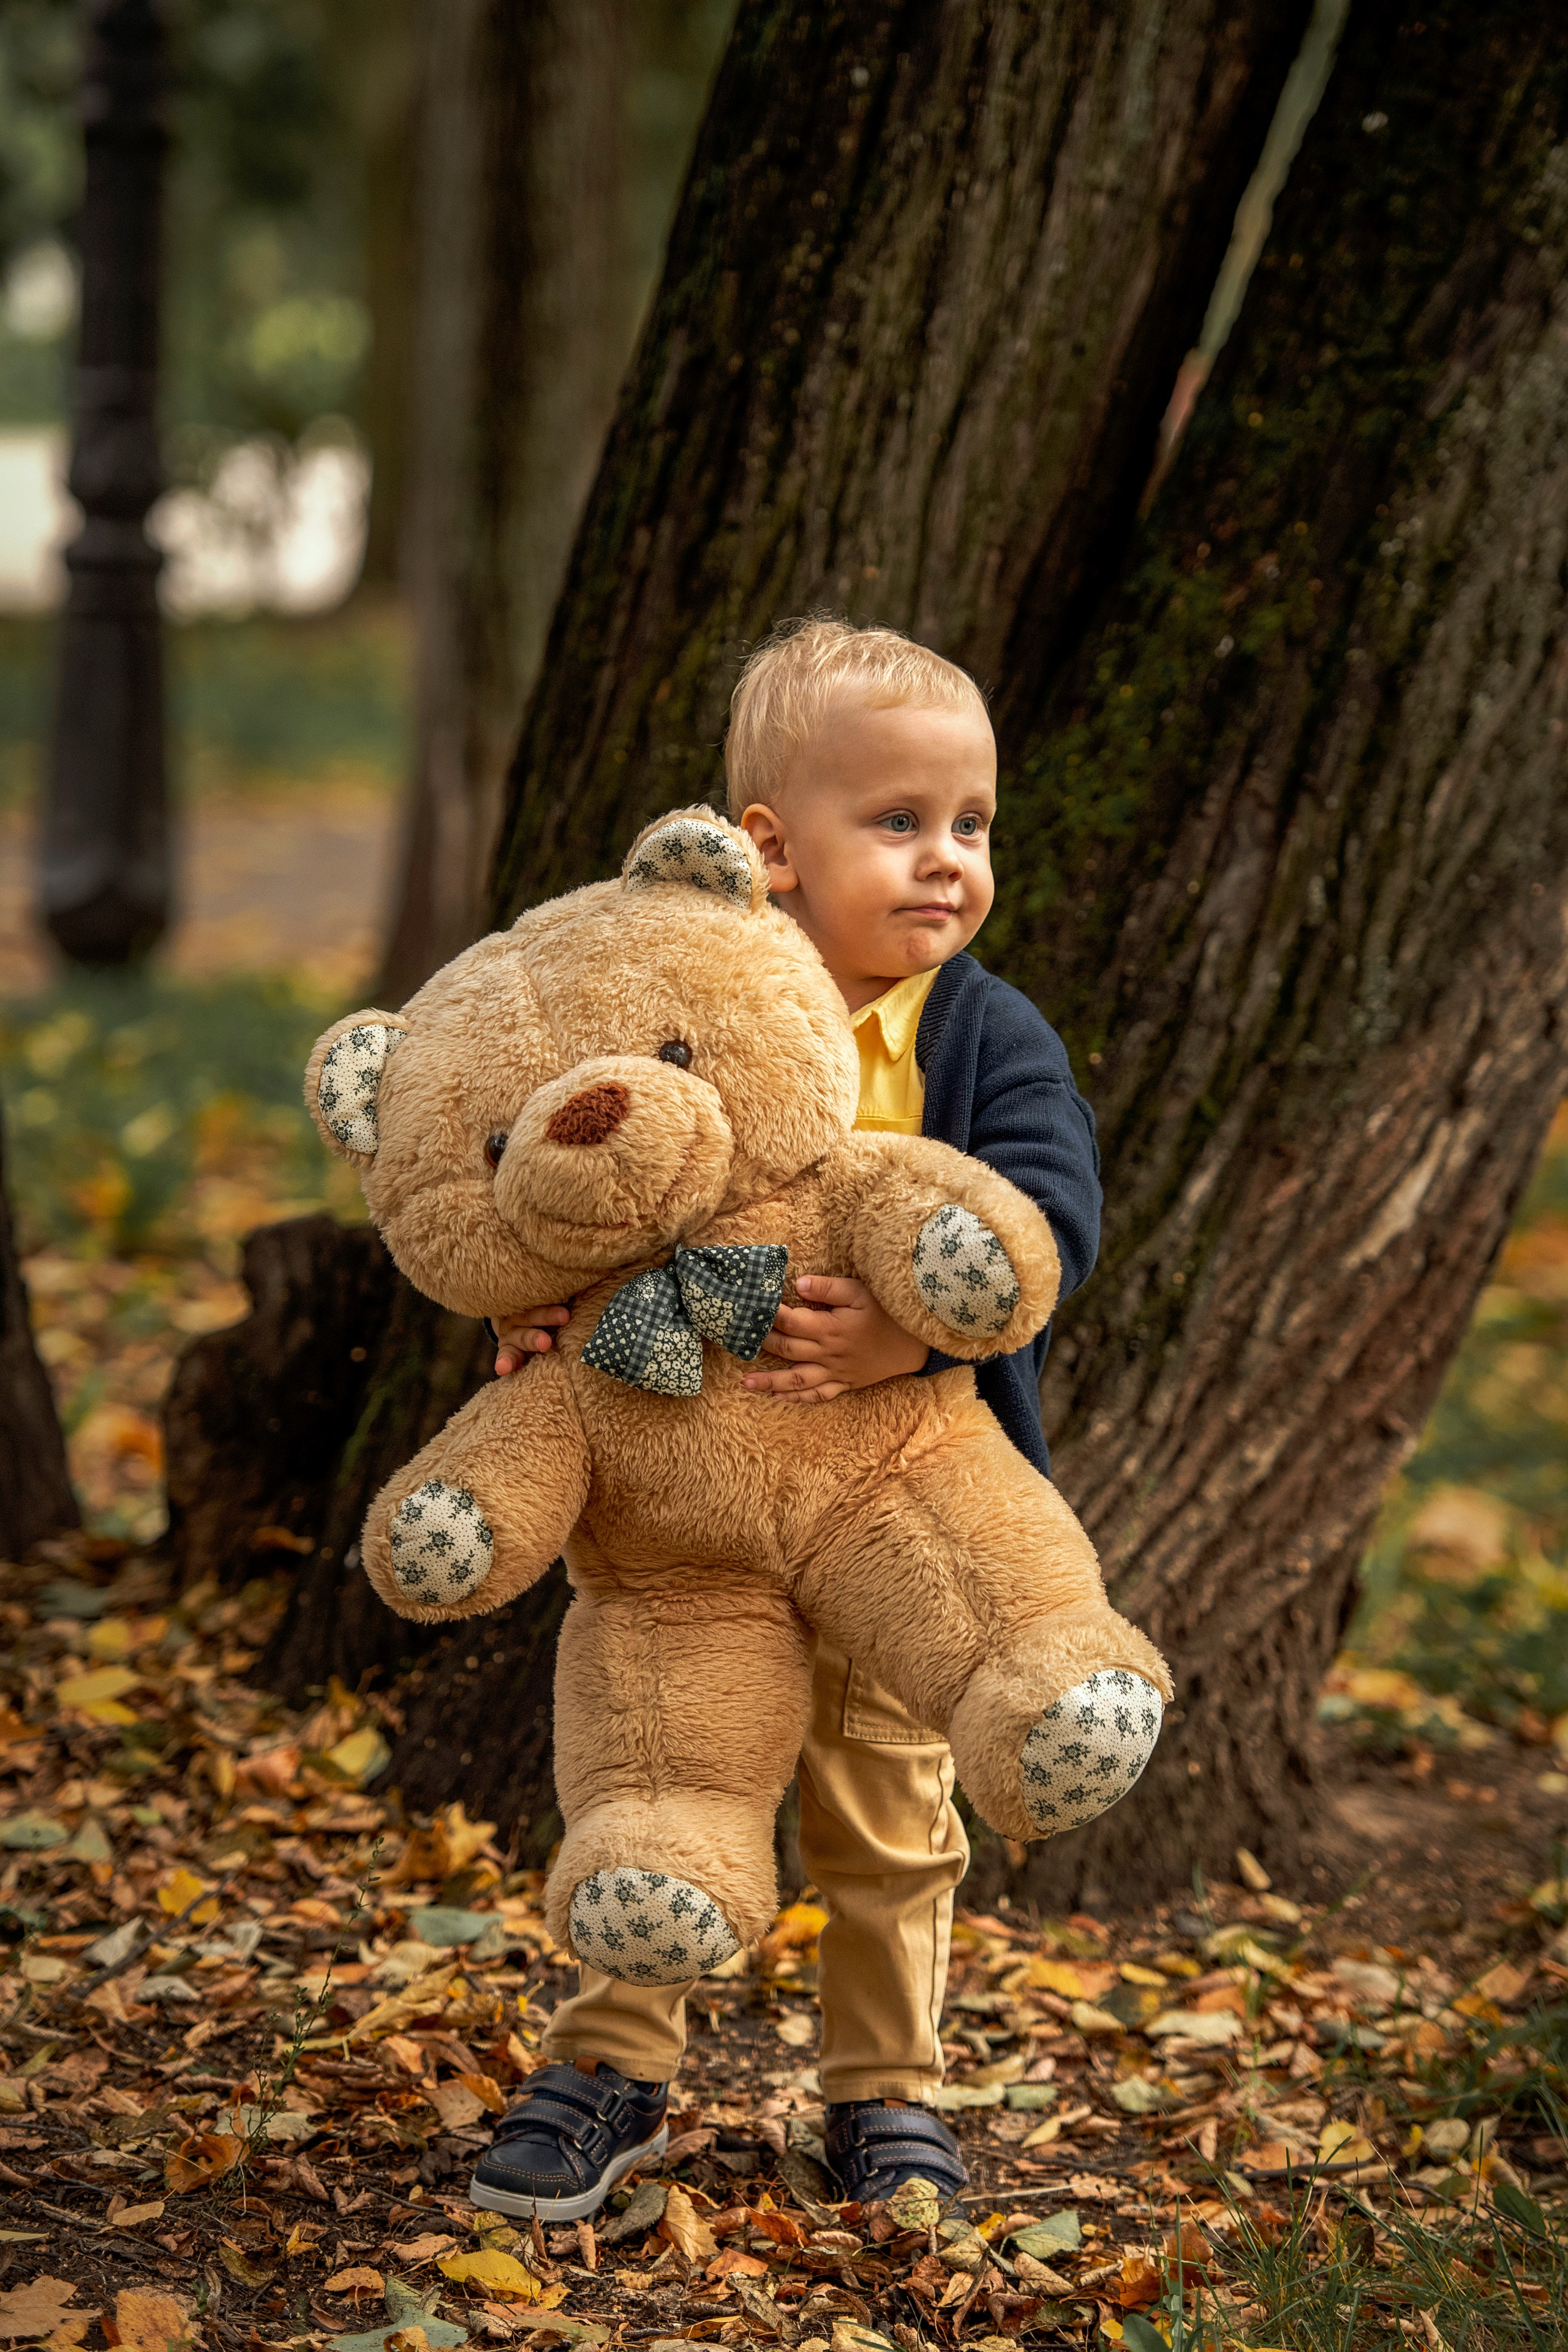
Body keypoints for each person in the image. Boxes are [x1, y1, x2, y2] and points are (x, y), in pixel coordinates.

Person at [470, 615, 1102, 2222]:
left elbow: (1051, 1215)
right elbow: (582, 1184)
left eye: (971, 826)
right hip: (688, 1533)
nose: (946, 862)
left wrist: (908, 1327)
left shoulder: (976, 1035)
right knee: (666, 1788)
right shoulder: (686, 1013)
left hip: (902, 1521)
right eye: (898, 824)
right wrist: (535, 1316)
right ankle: (614, 2063)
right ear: (771, 850)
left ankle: (888, 2096)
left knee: (893, 1823)